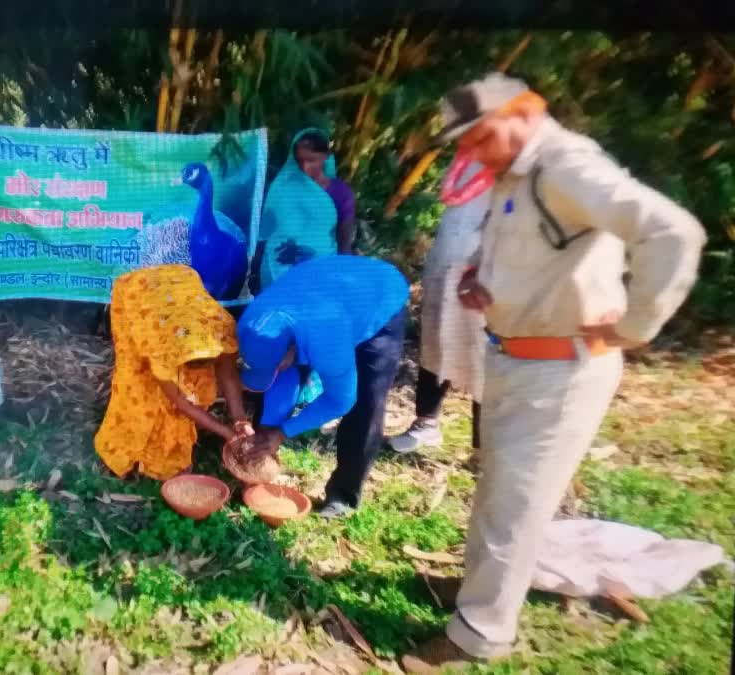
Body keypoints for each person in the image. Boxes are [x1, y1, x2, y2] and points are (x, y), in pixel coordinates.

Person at [400, 73, 707, 673]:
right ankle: (481, 593)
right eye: (463, 143)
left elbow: (673, 231)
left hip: (560, 373)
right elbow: (530, 251)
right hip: (514, 356)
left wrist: (633, 327)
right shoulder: (515, 173)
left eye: (479, 137)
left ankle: (475, 637)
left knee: (514, 504)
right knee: (497, 492)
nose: (471, 153)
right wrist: (482, 281)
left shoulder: (567, 167)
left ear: (525, 113)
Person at [235, 255, 409, 519]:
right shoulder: (253, 323)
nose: (275, 370)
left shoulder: (327, 342)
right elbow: (279, 378)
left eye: (278, 364)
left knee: (365, 402)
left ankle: (343, 495)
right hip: (328, 292)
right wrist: (265, 432)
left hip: (379, 299)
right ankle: (257, 476)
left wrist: (283, 433)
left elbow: (340, 401)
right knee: (281, 377)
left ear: (293, 348)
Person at [95, 265, 252, 481]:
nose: (199, 371)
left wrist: (239, 420)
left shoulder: (221, 331)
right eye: (190, 364)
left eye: (207, 363)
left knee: (188, 385)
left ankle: (170, 448)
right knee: (136, 383)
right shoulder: (160, 345)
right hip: (137, 294)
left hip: (180, 285)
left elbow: (228, 374)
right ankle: (127, 451)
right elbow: (181, 401)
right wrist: (226, 434)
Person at [389, 153, 493, 453]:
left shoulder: (516, 165)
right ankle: (426, 423)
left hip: (484, 276)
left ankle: (483, 449)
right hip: (444, 268)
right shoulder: (464, 159)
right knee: (435, 345)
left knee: (484, 356)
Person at [255, 129, 357, 292]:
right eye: (300, 160)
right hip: (276, 270)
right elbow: (267, 228)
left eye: (311, 160)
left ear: (325, 156)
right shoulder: (283, 188)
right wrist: (253, 266)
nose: (305, 167)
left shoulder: (340, 193)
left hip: (320, 272)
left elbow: (344, 240)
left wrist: (344, 275)